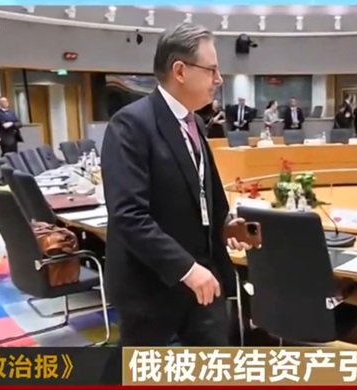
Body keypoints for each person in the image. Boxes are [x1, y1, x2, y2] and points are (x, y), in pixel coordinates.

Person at [100, 22, 251, 346]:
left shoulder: (195, 122)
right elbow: (128, 216)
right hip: (152, 288)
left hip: (204, 280)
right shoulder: (130, 125)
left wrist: (223, 225)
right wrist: (186, 269)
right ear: (180, 71)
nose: (219, 79)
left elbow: (198, 192)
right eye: (211, 70)